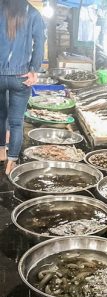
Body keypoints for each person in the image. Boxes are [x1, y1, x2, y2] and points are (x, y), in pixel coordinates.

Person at [0, 0, 45, 174]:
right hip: (21, 77)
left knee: (0, 116)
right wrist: (34, 69)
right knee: (16, 123)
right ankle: (11, 163)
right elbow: (39, 44)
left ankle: (1, 153)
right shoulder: (33, 12)